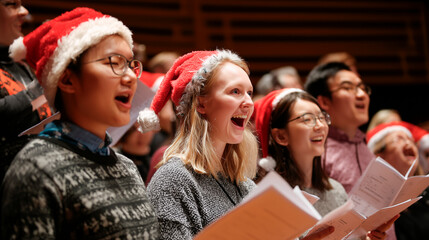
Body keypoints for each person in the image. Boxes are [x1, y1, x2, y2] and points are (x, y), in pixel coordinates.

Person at [137, 50, 334, 240]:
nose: (249, 102)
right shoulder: (172, 181)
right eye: (235, 91)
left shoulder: (245, 185)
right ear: (201, 104)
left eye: (249, 92)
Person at [1, 7, 159, 239]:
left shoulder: (126, 166)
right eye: (113, 62)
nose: (130, 77)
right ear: (66, 79)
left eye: (130, 64)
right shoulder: (36, 170)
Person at [253, 88, 396, 239]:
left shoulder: (335, 190)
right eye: (307, 119)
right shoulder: (267, 197)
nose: (320, 125)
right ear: (281, 136)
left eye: (322, 117)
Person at [304, 62, 397, 240]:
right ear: (324, 101)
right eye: (348, 88)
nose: (361, 95)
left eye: (362, 88)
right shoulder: (317, 154)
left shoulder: (365, 148)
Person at [0, 0, 52, 166]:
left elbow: (36, 107)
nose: (24, 11)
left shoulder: (21, 65)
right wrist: (45, 84)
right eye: (12, 4)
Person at [366, 121, 429, 240]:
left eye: (410, 140)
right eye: (399, 139)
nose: (407, 142)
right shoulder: (371, 203)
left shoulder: (425, 193)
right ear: (379, 155)